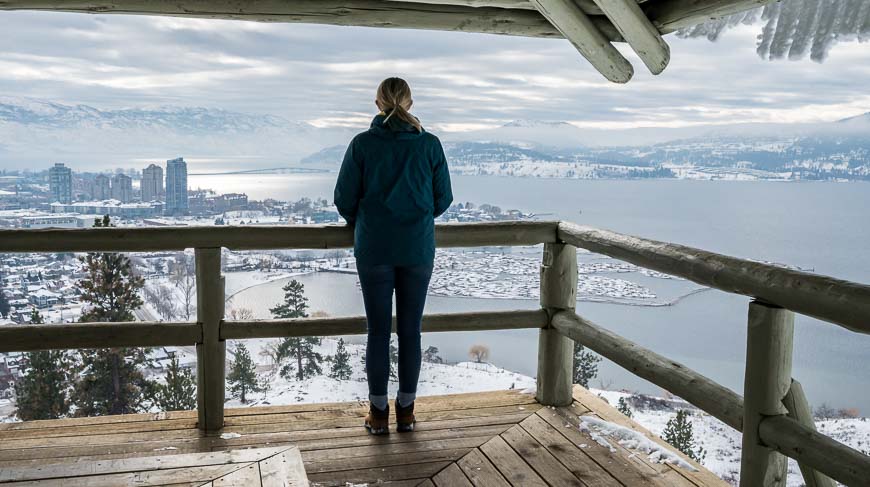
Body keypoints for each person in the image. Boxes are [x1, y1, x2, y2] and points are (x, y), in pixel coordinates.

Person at [334, 77, 453, 435]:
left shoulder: (362, 145)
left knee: (378, 333)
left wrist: (366, 220)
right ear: (410, 104)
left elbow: (343, 199)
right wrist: (414, 217)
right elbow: (442, 199)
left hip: (374, 249)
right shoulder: (430, 146)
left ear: (377, 103)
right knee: (410, 332)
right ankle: (407, 411)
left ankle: (378, 413)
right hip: (417, 249)